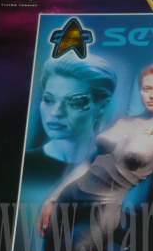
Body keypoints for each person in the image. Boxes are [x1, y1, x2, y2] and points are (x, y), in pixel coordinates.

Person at [39, 63, 153, 251]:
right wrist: (53, 197)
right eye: (147, 88)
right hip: (69, 197)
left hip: (105, 208)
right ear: (141, 90)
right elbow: (88, 163)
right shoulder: (123, 121)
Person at [24, 55, 116, 184]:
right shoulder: (23, 164)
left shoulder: (117, 169)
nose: (56, 112)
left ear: (102, 106)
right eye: (49, 100)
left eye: (75, 102)